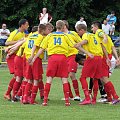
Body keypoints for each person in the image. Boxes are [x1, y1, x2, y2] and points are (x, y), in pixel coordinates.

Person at [31, 20, 75, 106]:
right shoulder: (65, 35)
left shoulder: (50, 35)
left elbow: (42, 48)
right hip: (62, 57)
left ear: (55, 26)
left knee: (49, 79)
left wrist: (34, 57)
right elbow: (73, 45)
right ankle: (67, 101)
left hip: (52, 58)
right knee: (64, 79)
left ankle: (45, 101)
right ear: (63, 27)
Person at [91, 21, 120, 104]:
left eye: (92, 27)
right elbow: (113, 47)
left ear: (96, 27)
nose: (92, 29)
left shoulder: (99, 32)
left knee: (104, 78)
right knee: (102, 78)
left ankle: (116, 97)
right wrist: (117, 58)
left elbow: (101, 34)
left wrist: (104, 37)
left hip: (104, 57)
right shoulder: (107, 36)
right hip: (108, 56)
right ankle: (110, 98)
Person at [75, 24, 104, 105]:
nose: (78, 33)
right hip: (99, 57)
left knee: (82, 78)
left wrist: (79, 44)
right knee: (95, 79)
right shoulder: (93, 35)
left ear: (81, 30)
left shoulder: (86, 34)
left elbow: (85, 41)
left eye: (78, 31)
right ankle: (94, 99)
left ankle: (87, 98)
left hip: (92, 58)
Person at [4, 19, 29, 101]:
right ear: (22, 25)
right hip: (12, 56)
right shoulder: (15, 33)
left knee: (19, 76)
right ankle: (8, 94)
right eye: (26, 24)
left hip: (18, 56)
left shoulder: (24, 33)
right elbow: (7, 43)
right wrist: (17, 41)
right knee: (17, 76)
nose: (28, 26)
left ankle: (13, 94)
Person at [62, 20, 82, 101]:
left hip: (72, 56)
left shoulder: (72, 33)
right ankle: (70, 95)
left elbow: (80, 42)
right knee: (64, 76)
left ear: (65, 26)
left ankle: (77, 95)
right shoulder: (61, 35)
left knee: (71, 75)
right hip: (64, 57)